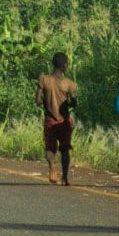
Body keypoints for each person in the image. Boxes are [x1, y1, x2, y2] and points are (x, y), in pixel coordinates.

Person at [36, 52, 78, 186]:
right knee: (65, 149)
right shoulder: (69, 84)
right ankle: (64, 177)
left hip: (49, 119)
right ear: (65, 66)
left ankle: (52, 167)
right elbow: (73, 102)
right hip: (64, 120)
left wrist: (45, 101)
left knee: (50, 148)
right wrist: (70, 102)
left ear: (53, 64)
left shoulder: (43, 79)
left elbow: (37, 100)